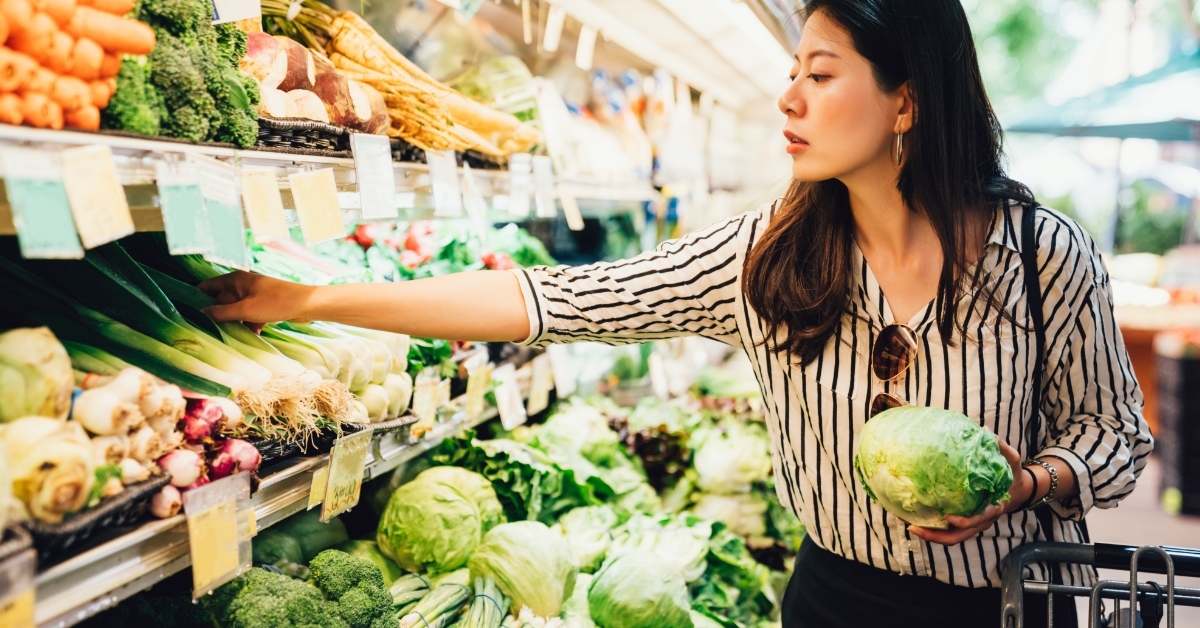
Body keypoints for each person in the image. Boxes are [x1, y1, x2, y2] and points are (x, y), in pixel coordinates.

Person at [198, 0, 1151, 626]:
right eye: (793, 71)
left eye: (821, 75)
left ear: (906, 101)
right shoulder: (767, 259)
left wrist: (1026, 484)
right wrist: (310, 297)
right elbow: (554, 299)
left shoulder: (1038, 254)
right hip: (837, 599)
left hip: (1016, 602)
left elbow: (1116, 434)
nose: (789, 97)